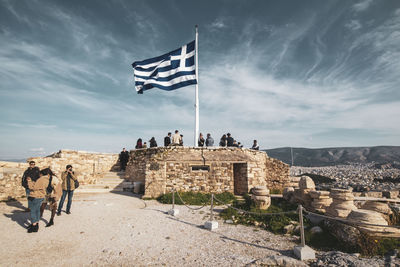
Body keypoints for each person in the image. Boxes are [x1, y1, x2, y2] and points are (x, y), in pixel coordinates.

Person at [26, 168, 52, 233]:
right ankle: (36, 224)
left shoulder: (41, 179)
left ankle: (34, 226)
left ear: (42, 174)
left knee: (33, 211)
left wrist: (29, 181)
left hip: (36, 196)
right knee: (37, 211)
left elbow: (33, 187)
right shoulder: (47, 179)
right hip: (41, 196)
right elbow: (39, 187)